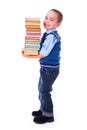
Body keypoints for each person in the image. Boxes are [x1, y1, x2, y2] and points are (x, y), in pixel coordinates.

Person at [22, 9, 63, 124]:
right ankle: (43, 109)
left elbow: (44, 53)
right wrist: (28, 49)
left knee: (44, 91)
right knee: (41, 89)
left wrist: (29, 56)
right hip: (47, 68)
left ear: (58, 24)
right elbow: (40, 48)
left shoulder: (52, 36)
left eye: (51, 19)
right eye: (46, 18)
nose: (47, 21)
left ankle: (48, 115)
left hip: (50, 69)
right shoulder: (47, 34)